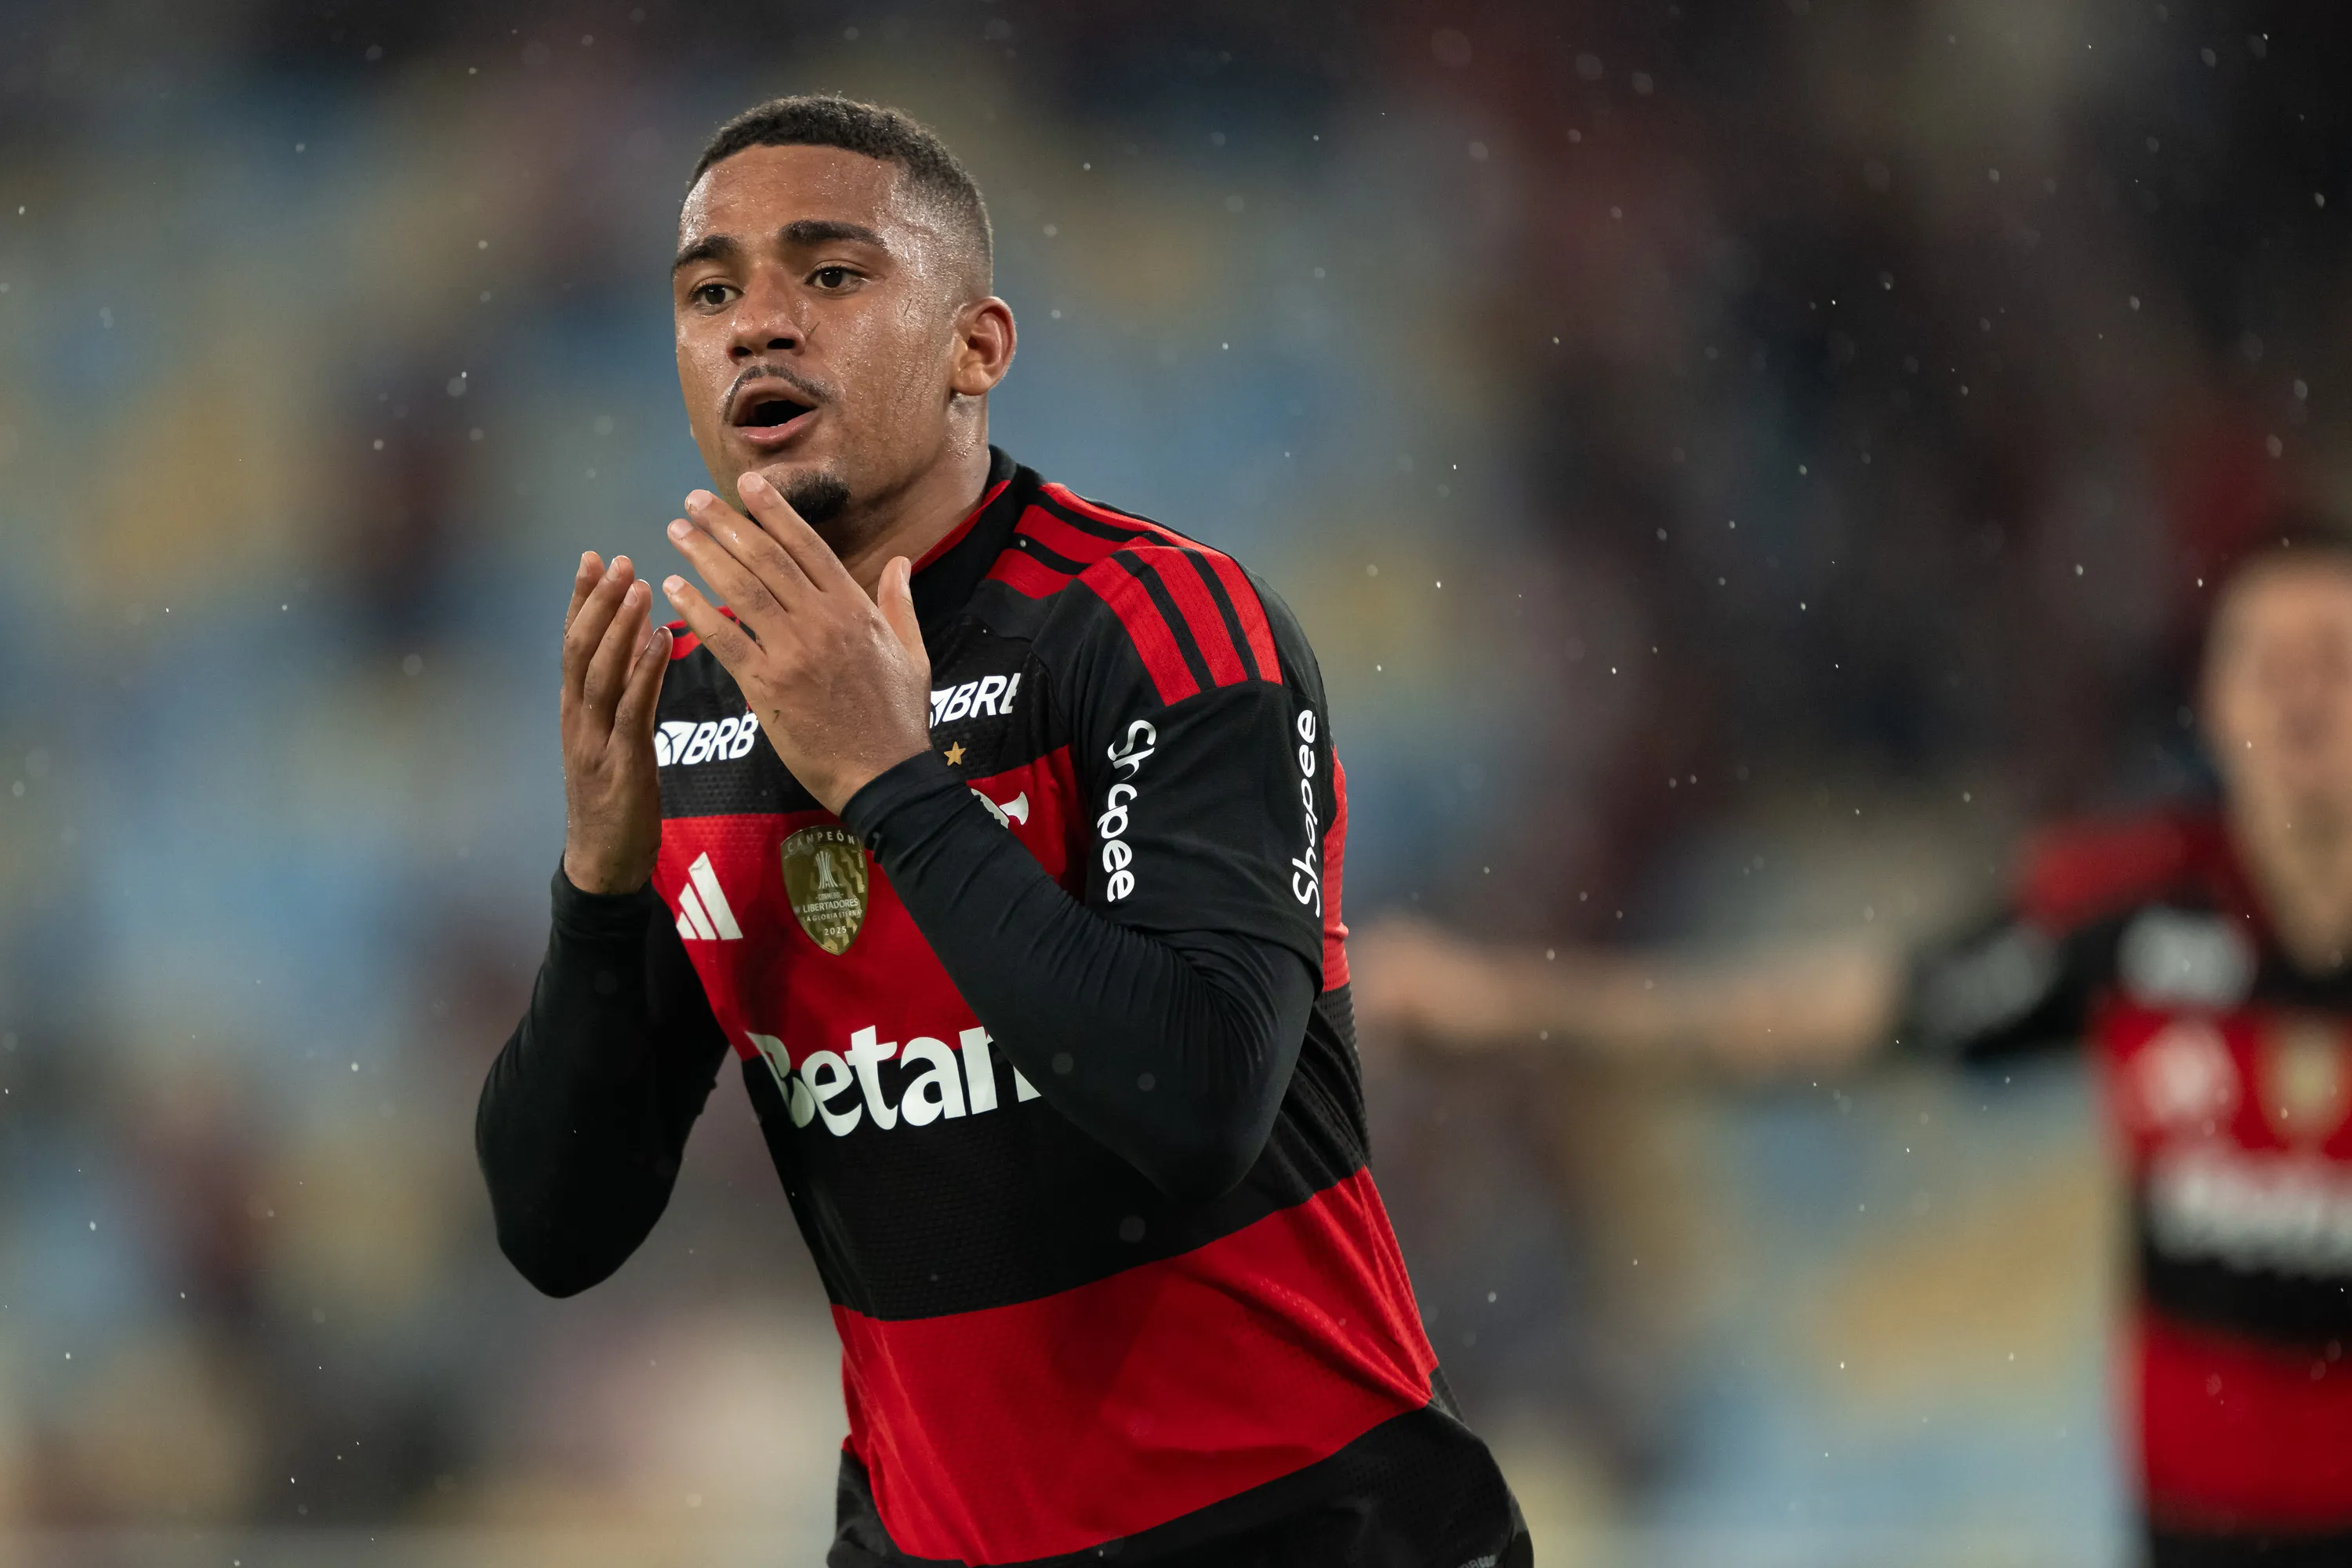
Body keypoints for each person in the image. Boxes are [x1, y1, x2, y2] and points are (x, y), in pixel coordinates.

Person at [473, 95, 1528, 1568]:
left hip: (1305, 1529)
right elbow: (558, 1230)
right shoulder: (701, 706)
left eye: (829, 274)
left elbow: (1199, 1102)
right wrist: (597, 884)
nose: (757, 323)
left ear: (976, 347)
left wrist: (892, 782)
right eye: (710, 292)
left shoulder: (1160, 625)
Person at [1355, 523, 2352, 1566]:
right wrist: (1505, 1006)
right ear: (2217, 703)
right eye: (2268, 667)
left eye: (2332, 662)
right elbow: (1803, 1025)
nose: (2301, 700)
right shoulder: (2135, 910)